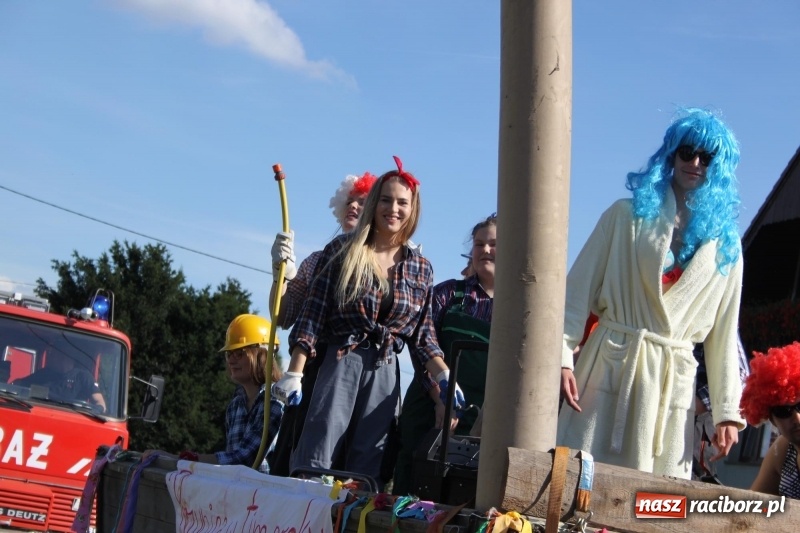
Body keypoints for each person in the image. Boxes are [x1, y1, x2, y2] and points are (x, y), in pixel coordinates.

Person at [558, 108, 745, 479]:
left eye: (707, 157)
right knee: (580, 483)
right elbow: (576, 290)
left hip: (671, 385)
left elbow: (724, 334)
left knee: (655, 500)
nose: (695, 162)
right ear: (671, 154)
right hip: (612, 363)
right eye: (687, 151)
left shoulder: (727, 247)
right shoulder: (624, 216)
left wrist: (726, 412)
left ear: (719, 167)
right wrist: (563, 356)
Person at [273, 156, 461, 489]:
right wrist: (294, 373)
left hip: (385, 368)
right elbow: (311, 316)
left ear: (413, 209)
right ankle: (307, 507)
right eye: (386, 200)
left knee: (368, 462)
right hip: (340, 360)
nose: (393, 209)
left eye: (402, 202)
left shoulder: (420, 267)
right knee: (319, 452)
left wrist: (444, 376)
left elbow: (422, 336)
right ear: (375, 204)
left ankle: (357, 512)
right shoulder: (343, 250)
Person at [268, 171, 378, 476]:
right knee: (295, 458)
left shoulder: (385, 266)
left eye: (362, 202)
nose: (354, 206)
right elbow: (283, 316)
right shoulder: (317, 260)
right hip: (312, 370)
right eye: (350, 201)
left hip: (362, 377)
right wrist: (280, 276)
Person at [392, 213, 496, 495]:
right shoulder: (448, 294)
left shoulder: (514, 311)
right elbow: (420, 343)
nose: (485, 250)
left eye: (493, 244)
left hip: (477, 419)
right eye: (479, 244)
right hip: (427, 408)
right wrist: (440, 396)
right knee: (412, 477)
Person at [150, 314, 283, 472]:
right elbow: (231, 461)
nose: (231, 360)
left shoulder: (275, 401)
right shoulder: (235, 406)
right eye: (229, 354)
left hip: (263, 488)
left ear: (263, 355)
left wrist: (182, 459)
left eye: (239, 353)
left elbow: (245, 458)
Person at [741, 342, 800, 498]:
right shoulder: (782, 450)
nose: (797, 418)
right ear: (772, 420)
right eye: (783, 411)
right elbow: (752, 504)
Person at [14, 350, 106, 412]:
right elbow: (19, 385)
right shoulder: (44, 374)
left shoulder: (83, 377)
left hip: (72, 420)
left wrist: (94, 411)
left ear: (69, 357)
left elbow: (100, 403)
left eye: (58, 354)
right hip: (42, 414)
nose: (53, 357)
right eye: (53, 354)